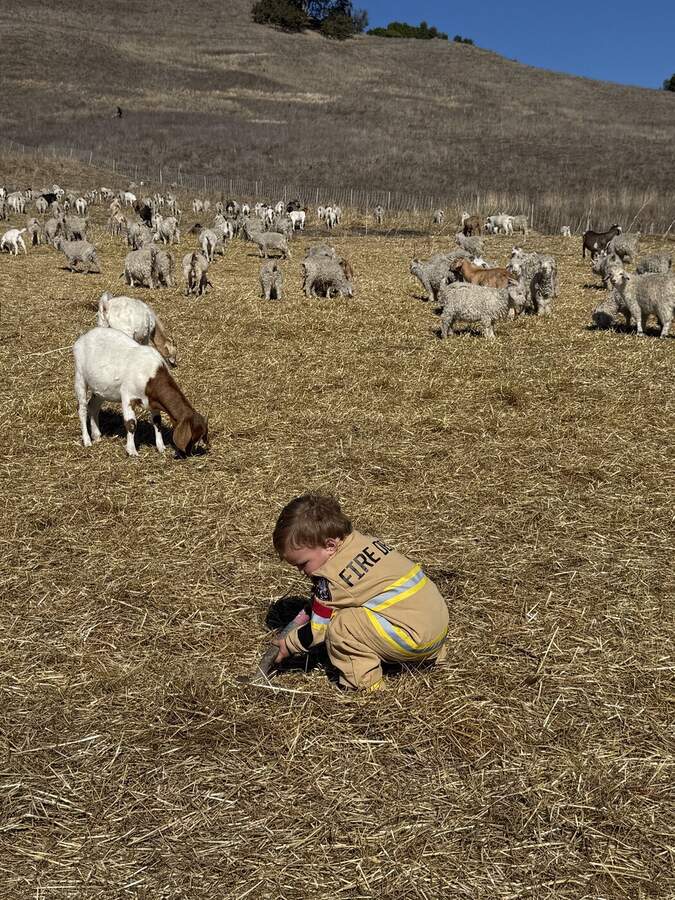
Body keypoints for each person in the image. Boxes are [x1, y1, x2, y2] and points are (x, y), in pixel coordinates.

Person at [272, 493, 449, 691]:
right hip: (436, 624)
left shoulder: (331, 580)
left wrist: (289, 644)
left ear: (330, 545)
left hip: (413, 639)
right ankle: (425, 659)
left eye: (303, 564)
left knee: (342, 627)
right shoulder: (362, 541)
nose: (301, 572)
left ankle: (365, 688)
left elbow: (317, 630)